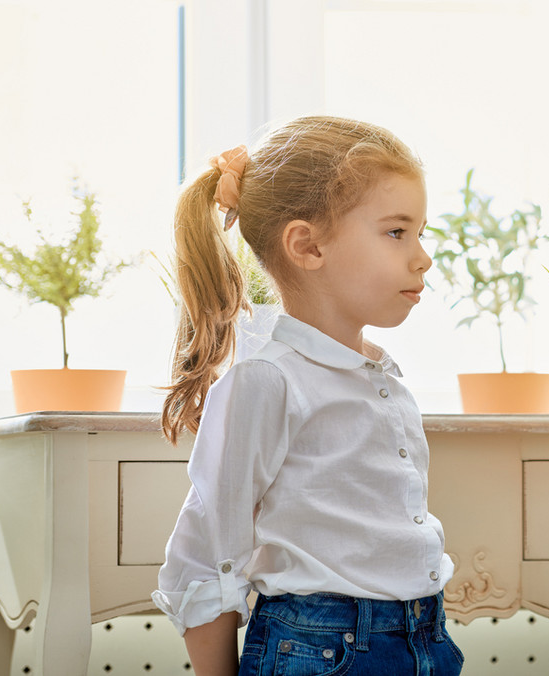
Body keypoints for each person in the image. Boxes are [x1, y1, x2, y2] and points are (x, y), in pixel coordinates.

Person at [153, 115, 462, 676]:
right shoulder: (267, 381)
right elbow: (205, 557)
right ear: (308, 245)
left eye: (421, 233)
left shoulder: (384, 380)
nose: (422, 257)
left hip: (423, 641)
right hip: (324, 651)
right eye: (397, 232)